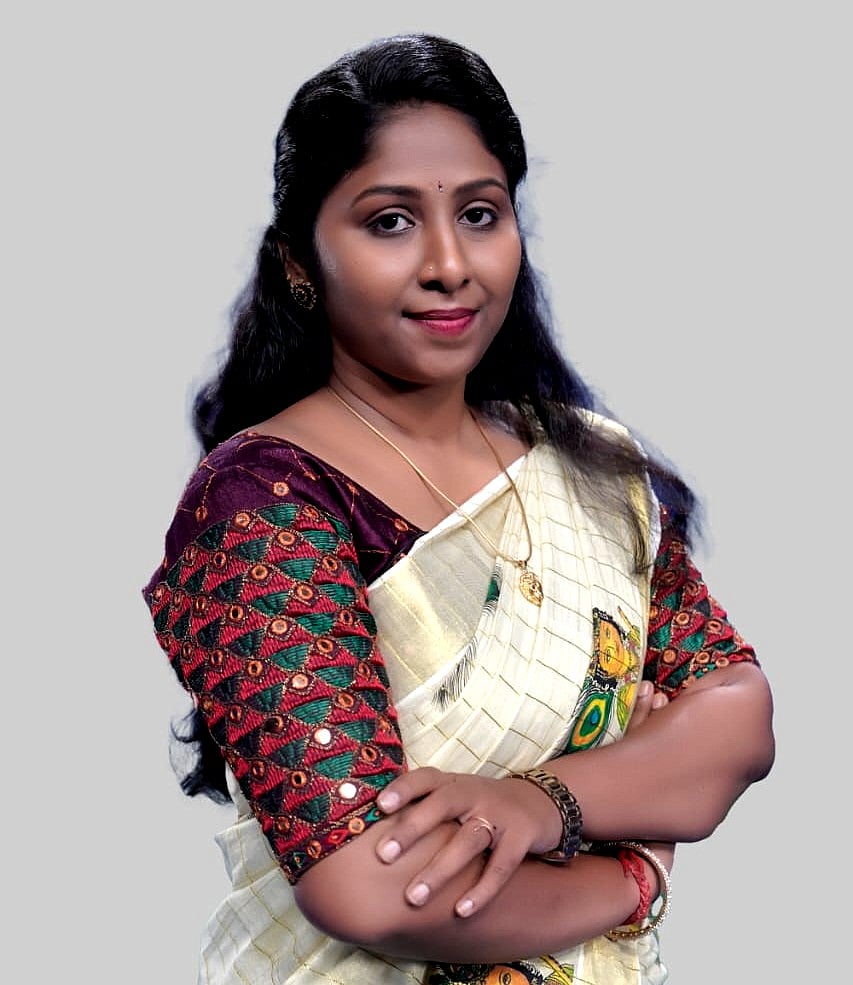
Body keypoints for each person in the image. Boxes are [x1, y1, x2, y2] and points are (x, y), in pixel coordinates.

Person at [142, 32, 775, 985]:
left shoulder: (586, 465)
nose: (449, 263)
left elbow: (736, 714)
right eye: (390, 222)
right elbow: (371, 887)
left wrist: (543, 801)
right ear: (299, 260)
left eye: (479, 214)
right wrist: (632, 869)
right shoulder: (263, 497)